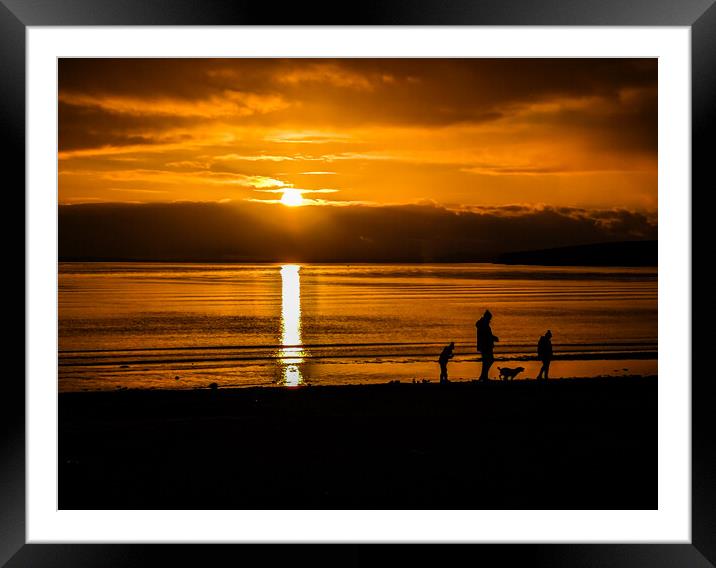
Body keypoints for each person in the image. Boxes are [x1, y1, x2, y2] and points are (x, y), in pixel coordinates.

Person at [475, 310, 499, 381]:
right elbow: (485, 335)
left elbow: (487, 335)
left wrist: (493, 337)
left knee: (487, 361)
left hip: (485, 345)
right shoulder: (483, 324)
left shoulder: (483, 324)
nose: (490, 319)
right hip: (485, 345)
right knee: (489, 360)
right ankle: (483, 376)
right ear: (486, 317)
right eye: (489, 318)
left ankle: (483, 376)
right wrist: (493, 338)